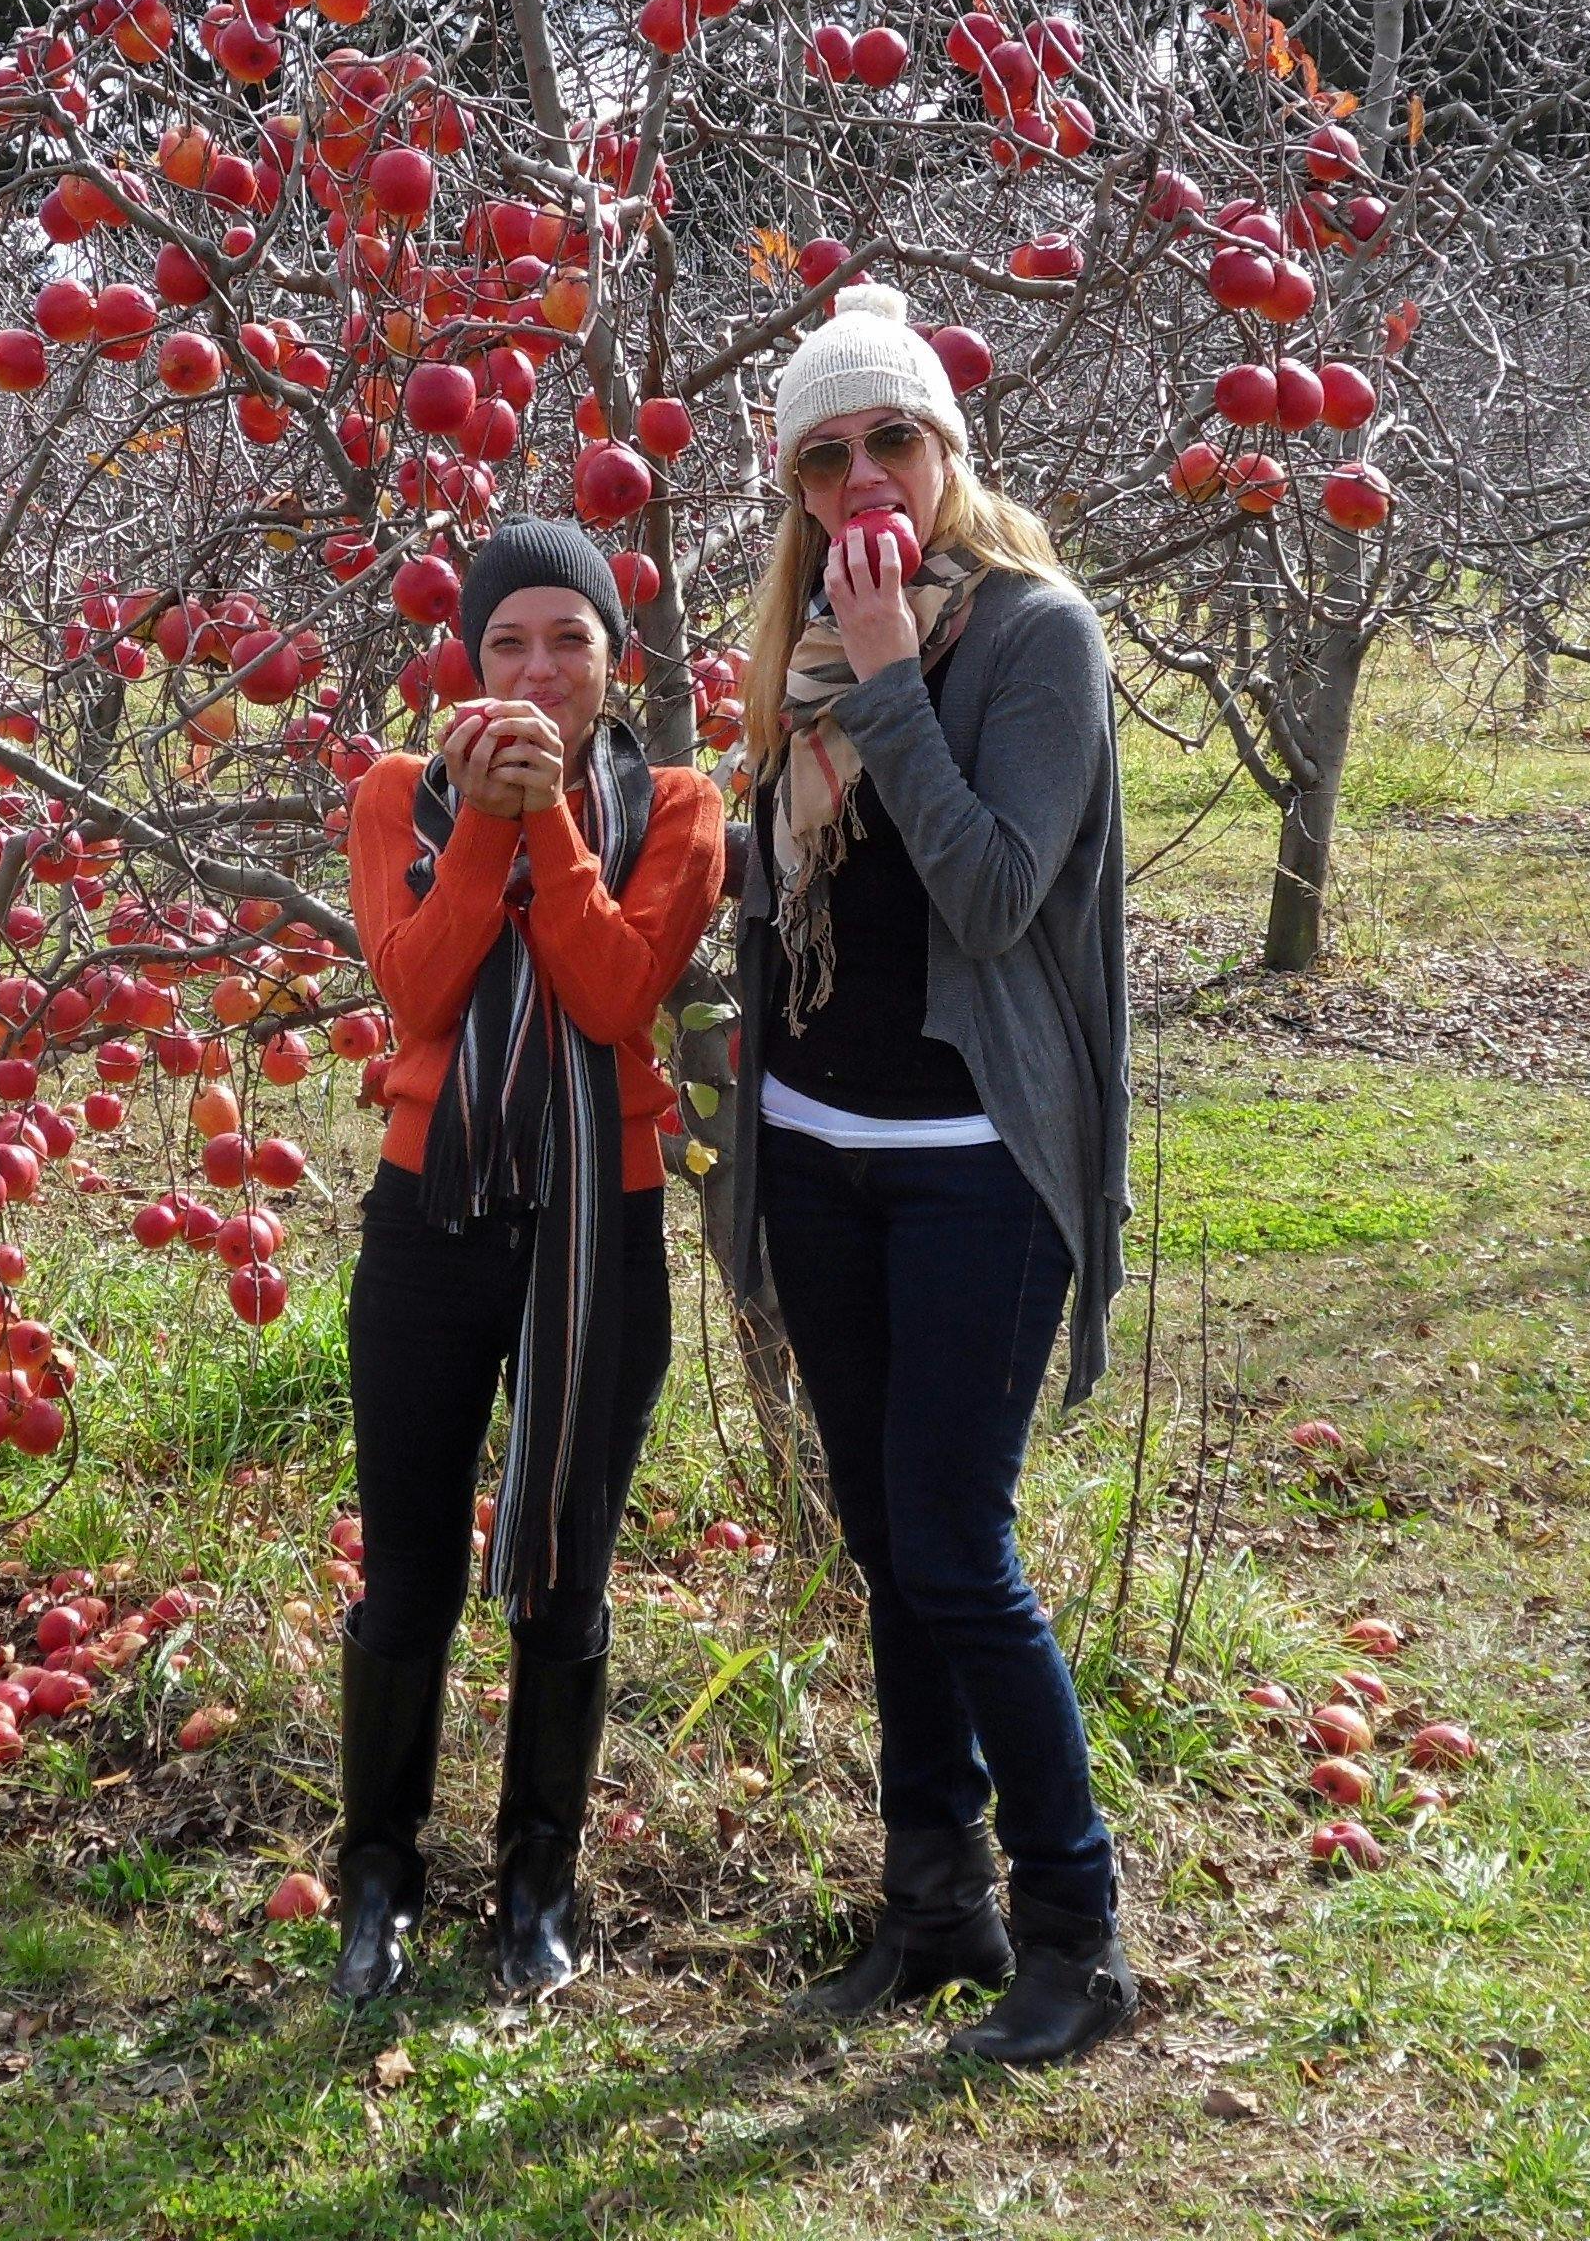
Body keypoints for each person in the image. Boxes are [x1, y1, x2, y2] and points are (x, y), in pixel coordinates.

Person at [722, 285, 1140, 2066]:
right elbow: (782, 910)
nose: (861, 475)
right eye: (825, 456)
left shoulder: (1034, 639)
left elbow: (987, 897)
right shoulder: (795, 647)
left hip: (976, 1163)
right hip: (822, 1156)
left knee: (960, 1550)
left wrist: (895, 687)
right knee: (891, 1543)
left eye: (890, 438)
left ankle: (1080, 1924)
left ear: (948, 450)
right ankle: (934, 1905)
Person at [331, 516, 727, 2002]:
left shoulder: (678, 805)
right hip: (431, 1220)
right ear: (467, 660)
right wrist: (484, 822)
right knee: (412, 1563)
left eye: (571, 641)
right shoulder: (396, 799)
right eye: (510, 642)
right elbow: (418, 989)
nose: (540, 667)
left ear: (614, 670)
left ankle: (536, 1889)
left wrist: (547, 819)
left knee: (565, 1572)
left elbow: (617, 992)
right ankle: (376, 1877)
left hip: (598, 1231)